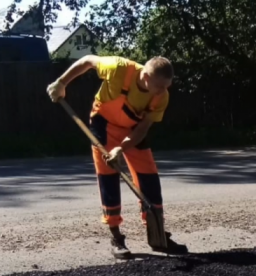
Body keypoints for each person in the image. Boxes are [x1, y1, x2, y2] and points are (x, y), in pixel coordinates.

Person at [46, 55, 188, 259]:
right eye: (158, 86)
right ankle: (116, 237)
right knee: (108, 177)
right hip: (103, 125)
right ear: (145, 76)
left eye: (166, 86)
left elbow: (143, 128)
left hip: (132, 131)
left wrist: (121, 148)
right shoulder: (118, 68)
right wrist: (61, 83)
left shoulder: (161, 96)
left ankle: (157, 236)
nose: (162, 90)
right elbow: (87, 61)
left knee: (149, 178)